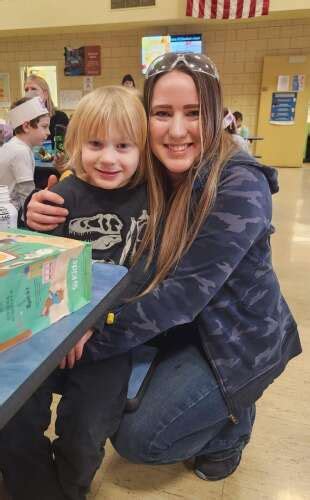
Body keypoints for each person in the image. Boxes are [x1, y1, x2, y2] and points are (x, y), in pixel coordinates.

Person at [22, 52, 301, 486]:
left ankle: (233, 424)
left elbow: (180, 298)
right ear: (145, 120)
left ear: (217, 115)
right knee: (110, 401)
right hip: (174, 329)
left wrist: (87, 336)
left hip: (233, 340)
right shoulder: (155, 168)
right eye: (161, 113)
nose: (176, 130)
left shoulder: (239, 185)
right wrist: (39, 207)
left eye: (193, 113)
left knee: (139, 440)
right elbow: (92, 176)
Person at [0, 86, 149, 500]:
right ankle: (34, 487)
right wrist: (29, 221)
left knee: (87, 427)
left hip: (109, 337)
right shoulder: (62, 197)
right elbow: (36, 264)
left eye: (123, 145)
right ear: (74, 145)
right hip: (52, 329)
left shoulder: (154, 201)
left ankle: (69, 488)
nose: (108, 157)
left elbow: (144, 276)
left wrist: (90, 325)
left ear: (143, 149)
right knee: (14, 411)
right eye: (95, 144)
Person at [0, 96, 50, 211]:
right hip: (9, 215)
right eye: (44, 127)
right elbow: (27, 195)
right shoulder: (21, 152)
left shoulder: (13, 145)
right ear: (26, 126)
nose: (49, 132)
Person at [24, 74, 69, 148]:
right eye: (26, 90)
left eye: (33, 89)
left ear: (45, 94)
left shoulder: (60, 117)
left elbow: (62, 146)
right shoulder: (23, 118)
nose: (29, 92)